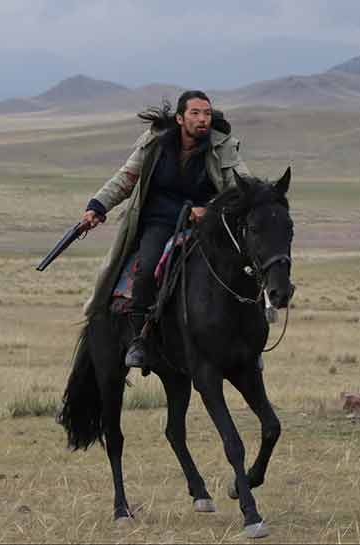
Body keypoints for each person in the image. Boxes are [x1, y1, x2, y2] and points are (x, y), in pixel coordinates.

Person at [81, 90, 252, 368]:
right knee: (146, 270)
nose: (203, 119)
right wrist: (97, 206)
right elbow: (125, 178)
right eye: (195, 113)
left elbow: (243, 187)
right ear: (180, 118)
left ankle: (248, 343)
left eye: (207, 113)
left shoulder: (223, 146)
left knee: (240, 269)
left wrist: (211, 209)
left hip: (205, 225)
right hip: (159, 222)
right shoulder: (155, 144)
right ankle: (139, 340)